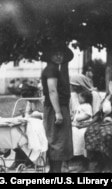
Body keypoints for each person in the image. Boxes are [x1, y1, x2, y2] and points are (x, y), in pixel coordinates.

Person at [41, 41, 74, 173]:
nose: (59, 56)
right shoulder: (51, 69)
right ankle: (55, 172)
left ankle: (56, 171)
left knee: (61, 141)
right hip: (55, 108)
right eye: (56, 54)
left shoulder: (55, 68)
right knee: (57, 141)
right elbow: (52, 91)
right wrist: (58, 113)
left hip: (60, 107)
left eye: (61, 54)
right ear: (49, 55)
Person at [69, 74, 102, 172]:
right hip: (78, 122)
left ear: (81, 84)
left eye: (74, 85)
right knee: (73, 131)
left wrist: (87, 124)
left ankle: (91, 162)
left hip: (93, 121)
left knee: (84, 133)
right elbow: (74, 112)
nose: (73, 87)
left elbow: (96, 114)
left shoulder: (93, 94)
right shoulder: (74, 95)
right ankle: (80, 161)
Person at [9, 83, 44, 170]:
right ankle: (19, 158)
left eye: (30, 100)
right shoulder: (30, 101)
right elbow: (28, 113)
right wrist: (26, 116)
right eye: (28, 100)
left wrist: (36, 114)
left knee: (28, 131)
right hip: (31, 121)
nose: (29, 102)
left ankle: (24, 160)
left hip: (42, 122)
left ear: (35, 94)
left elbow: (47, 113)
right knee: (18, 130)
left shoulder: (42, 99)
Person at [71, 90, 93, 172]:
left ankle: (84, 163)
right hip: (77, 125)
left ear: (85, 98)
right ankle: (78, 159)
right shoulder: (80, 106)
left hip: (84, 125)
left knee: (81, 140)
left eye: (80, 97)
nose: (78, 99)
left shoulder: (87, 106)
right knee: (74, 138)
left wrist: (78, 118)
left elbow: (88, 115)